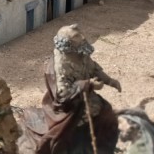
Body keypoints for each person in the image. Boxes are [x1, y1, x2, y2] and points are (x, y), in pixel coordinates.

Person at [19, 24, 121, 153]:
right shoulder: (60, 65)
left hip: (85, 96)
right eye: (77, 36)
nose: (83, 37)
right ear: (68, 44)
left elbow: (94, 69)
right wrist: (88, 84)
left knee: (106, 111)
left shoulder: (81, 52)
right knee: (65, 132)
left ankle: (103, 144)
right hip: (68, 104)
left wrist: (110, 81)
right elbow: (62, 93)